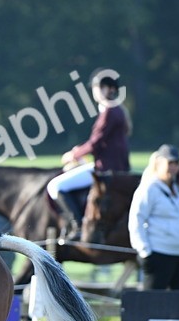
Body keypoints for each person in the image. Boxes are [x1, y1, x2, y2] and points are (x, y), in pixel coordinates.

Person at [48, 69, 133, 238]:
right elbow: (101, 143)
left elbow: (95, 142)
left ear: (109, 89)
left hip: (105, 170)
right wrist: (80, 152)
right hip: (113, 165)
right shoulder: (117, 110)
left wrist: (73, 154)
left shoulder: (109, 111)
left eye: (97, 87)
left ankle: (78, 227)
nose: (94, 91)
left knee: (54, 186)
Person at [127, 145, 179, 291]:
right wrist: (144, 251)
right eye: (170, 163)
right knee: (153, 302)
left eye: (177, 164)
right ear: (159, 163)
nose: (174, 168)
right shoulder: (149, 188)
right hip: (160, 253)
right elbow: (137, 220)